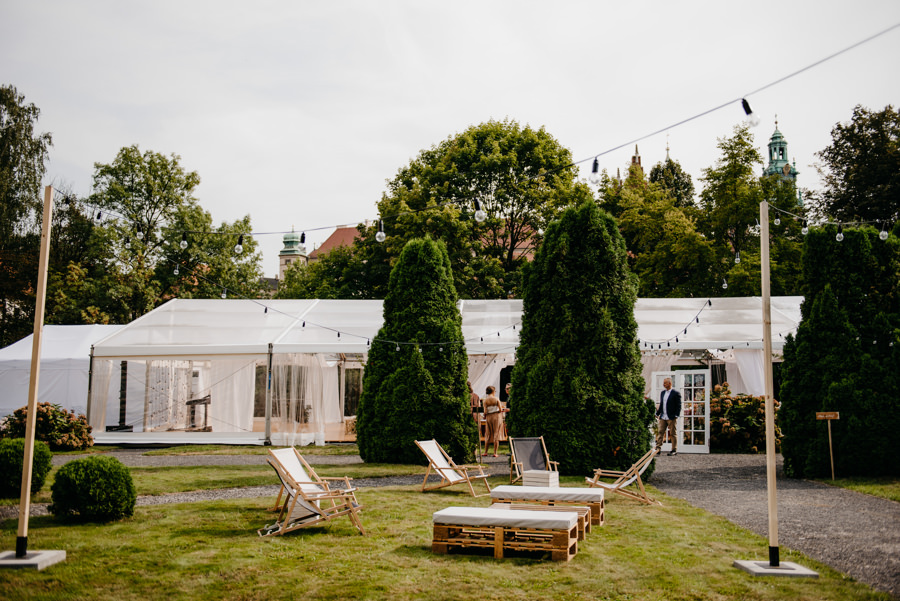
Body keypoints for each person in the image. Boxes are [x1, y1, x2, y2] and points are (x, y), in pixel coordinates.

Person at [655, 377, 682, 456]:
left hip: (671, 417)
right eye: (663, 383)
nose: (663, 384)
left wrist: (676, 415)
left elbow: (678, 405)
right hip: (663, 416)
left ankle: (674, 449)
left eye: (665, 383)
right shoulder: (662, 393)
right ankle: (658, 449)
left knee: (673, 433)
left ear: (670, 383)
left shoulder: (676, 393)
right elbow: (662, 404)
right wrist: (657, 413)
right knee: (660, 432)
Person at [482, 385, 505, 457]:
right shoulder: (496, 399)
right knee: (496, 433)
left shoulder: (485, 400)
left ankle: (485, 452)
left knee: (488, 434)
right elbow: (500, 409)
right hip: (496, 416)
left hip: (489, 416)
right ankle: (495, 453)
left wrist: (485, 416)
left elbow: (485, 411)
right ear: (493, 391)